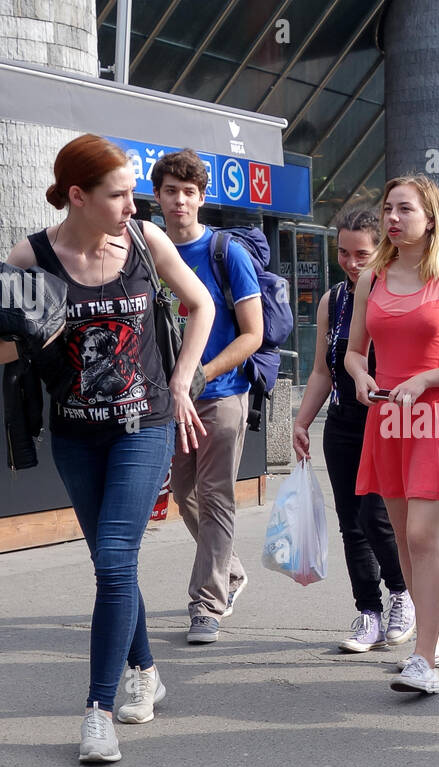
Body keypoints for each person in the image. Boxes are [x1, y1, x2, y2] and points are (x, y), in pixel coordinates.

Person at [0, 134, 214, 763]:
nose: (133, 206)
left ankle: (97, 711)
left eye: (133, 193)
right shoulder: (31, 257)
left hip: (147, 425)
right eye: (119, 195)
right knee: (114, 565)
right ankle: (146, 669)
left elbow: (201, 305)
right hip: (76, 434)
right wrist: (33, 333)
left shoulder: (144, 242)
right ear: (77, 197)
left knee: (111, 559)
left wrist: (184, 379)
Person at [345, 174, 439, 695]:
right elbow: (354, 350)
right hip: (388, 419)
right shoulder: (373, 278)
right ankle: (433, 634)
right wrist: (362, 377)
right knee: (406, 538)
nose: (392, 218)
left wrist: (426, 378)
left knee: (423, 536)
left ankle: (424, 658)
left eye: (404, 209)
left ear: (431, 218)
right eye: (388, 209)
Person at [150, 149, 263, 645]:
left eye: (189, 192)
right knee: (182, 493)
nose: (179, 201)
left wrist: (203, 373)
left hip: (221, 394)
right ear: (156, 197)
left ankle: (207, 604)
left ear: (202, 198)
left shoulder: (224, 253)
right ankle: (230, 570)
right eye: (170, 191)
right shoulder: (147, 252)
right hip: (168, 400)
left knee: (216, 494)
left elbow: (253, 334)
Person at [292, 204, 415, 653]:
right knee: (351, 522)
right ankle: (368, 612)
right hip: (343, 421)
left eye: (360, 253)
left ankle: (403, 594)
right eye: (343, 253)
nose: (351, 262)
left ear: (380, 245)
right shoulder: (334, 300)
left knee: (377, 517)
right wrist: (302, 420)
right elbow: (324, 370)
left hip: (388, 421)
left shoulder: (394, 291)